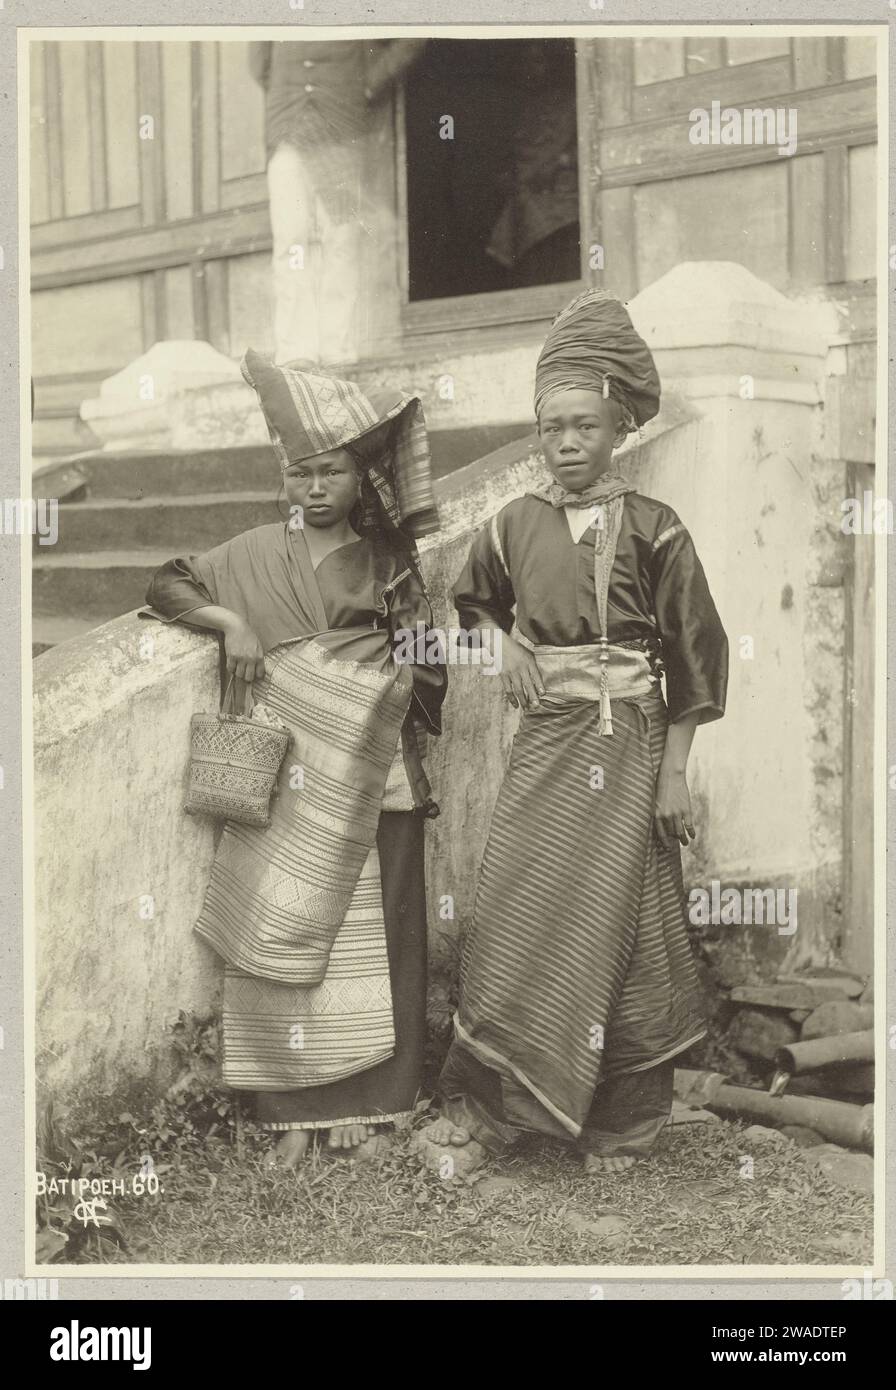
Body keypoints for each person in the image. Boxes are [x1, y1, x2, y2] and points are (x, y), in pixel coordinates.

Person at [418, 288, 728, 1176]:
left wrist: (674, 776)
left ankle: (619, 1125)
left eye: (583, 425)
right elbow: (472, 601)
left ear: (619, 425)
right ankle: (491, 1112)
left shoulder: (658, 532)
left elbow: (698, 662)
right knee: (519, 909)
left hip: (629, 748)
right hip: (548, 747)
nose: (565, 442)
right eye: (550, 425)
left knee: (624, 918)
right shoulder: (513, 524)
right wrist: (503, 645)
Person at [142, 350, 446, 1167]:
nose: (315, 488)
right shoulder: (248, 554)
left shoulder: (389, 565)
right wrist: (229, 624)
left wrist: (359, 695)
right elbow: (168, 583)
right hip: (288, 775)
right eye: (301, 473)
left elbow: (427, 661)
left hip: (372, 769)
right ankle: (292, 1108)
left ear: (362, 480)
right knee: (279, 926)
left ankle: (372, 1104)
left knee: (380, 933)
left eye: (332, 473)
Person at [249, 39, 426, 368]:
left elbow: (414, 36)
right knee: (291, 244)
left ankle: (338, 347)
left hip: (340, 132)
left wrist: (368, 84)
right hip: (287, 128)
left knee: (342, 240)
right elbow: (259, 62)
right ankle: (295, 351)